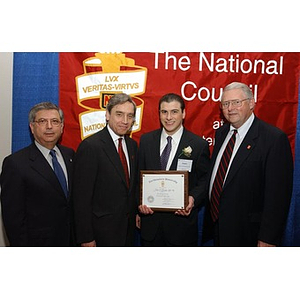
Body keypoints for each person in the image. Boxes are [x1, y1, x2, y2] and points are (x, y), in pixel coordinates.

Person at [203, 82, 293, 246]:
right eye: (226, 103)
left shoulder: (273, 139)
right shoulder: (222, 133)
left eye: (237, 102)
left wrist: (268, 238)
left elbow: (278, 196)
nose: (231, 108)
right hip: (219, 228)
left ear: (251, 103)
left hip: (250, 233)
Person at [137, 93, 210, 246]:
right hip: (150, 226)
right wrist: (138, 205)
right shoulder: (146, 141)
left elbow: (205, 180)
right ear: (159, 114)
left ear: (183, 114)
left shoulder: (198, 145)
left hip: (181, 228)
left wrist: (193, 199)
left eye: (174, 111)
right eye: (164, 112)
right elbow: (138, 177)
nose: (169, 117)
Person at [0, 102, 75, 246]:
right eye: (42, 121)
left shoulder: (70, 155)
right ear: (32, 127)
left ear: (62, 127)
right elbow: (13, 219)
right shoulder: (15, 163)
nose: (49, 126)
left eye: (54, 121)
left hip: (70, 242)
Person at [73, 93, 138, 246]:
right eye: (119, 114)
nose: (125, 121)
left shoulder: (132, 146)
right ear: (107, 115)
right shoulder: (91, 147)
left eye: (130, 116)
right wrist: (86, 237)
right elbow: (81, 199)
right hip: (99, 234)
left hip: (127, 233)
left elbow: (130, 188)